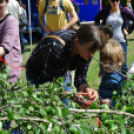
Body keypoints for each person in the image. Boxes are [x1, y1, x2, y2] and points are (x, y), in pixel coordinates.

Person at [26, 24, 102, 104]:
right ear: (76, 42)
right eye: (90, 51)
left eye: (94, 52)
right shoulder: (55, 47)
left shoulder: (86, 51)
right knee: (44, 106)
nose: (92, 55)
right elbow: (50, 86)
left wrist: (86, 88)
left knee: (67, 108)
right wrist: (72, 96)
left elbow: (80, 77)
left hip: (60, 72)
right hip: (37, 75)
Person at [94, 0, 134, 75]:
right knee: (105, 63)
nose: (115, 2)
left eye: (117, 0)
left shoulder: (124, 11)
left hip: (121, 42)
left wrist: (129, 31)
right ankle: (106, 82)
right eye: (112, 1)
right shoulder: (105, 11)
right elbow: (96, 19)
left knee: (122, 64)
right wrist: (100, 30)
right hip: (107, 43)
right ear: (109, 1)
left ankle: (125, 84)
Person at [0, 0, 22, 131]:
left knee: (6, 109)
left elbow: (5, 47)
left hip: (8, 72)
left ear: (7, 2)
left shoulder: (11, 21)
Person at [99, 39, 126, 107]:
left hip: (113, 112)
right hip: (102, 107)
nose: (107, 66)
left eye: (111, 63)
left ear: (119, 62)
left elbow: (122, 100)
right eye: (104, 62)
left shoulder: (119, 79)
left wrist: (112, 103)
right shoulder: (105, 73)